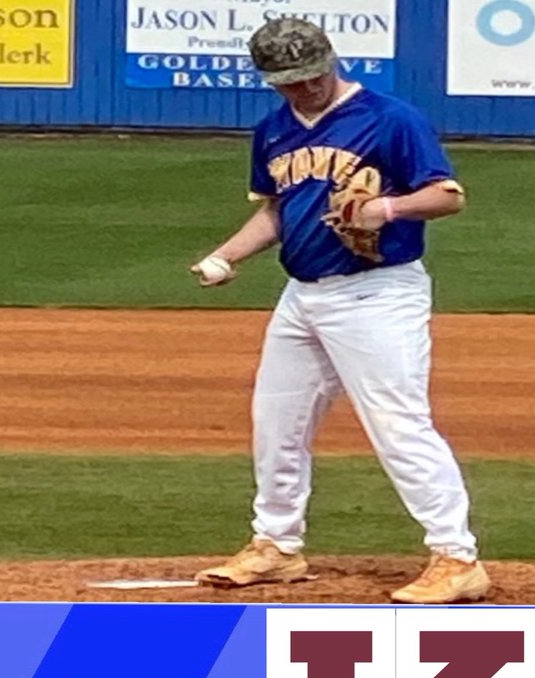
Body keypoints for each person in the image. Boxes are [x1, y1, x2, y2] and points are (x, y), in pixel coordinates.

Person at [189, 17, 489, 604]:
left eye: (313, 75)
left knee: (398, 423)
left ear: (331, 61)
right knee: (276, 421)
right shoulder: (274, 130)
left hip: (377, 295)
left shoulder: (390, 118)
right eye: (291, 81)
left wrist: (387, 209)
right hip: (302, 296)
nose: (306, 88)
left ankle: (457, 557)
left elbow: (447, 196)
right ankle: (277, 545)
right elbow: (277, 211)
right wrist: (225, 256)